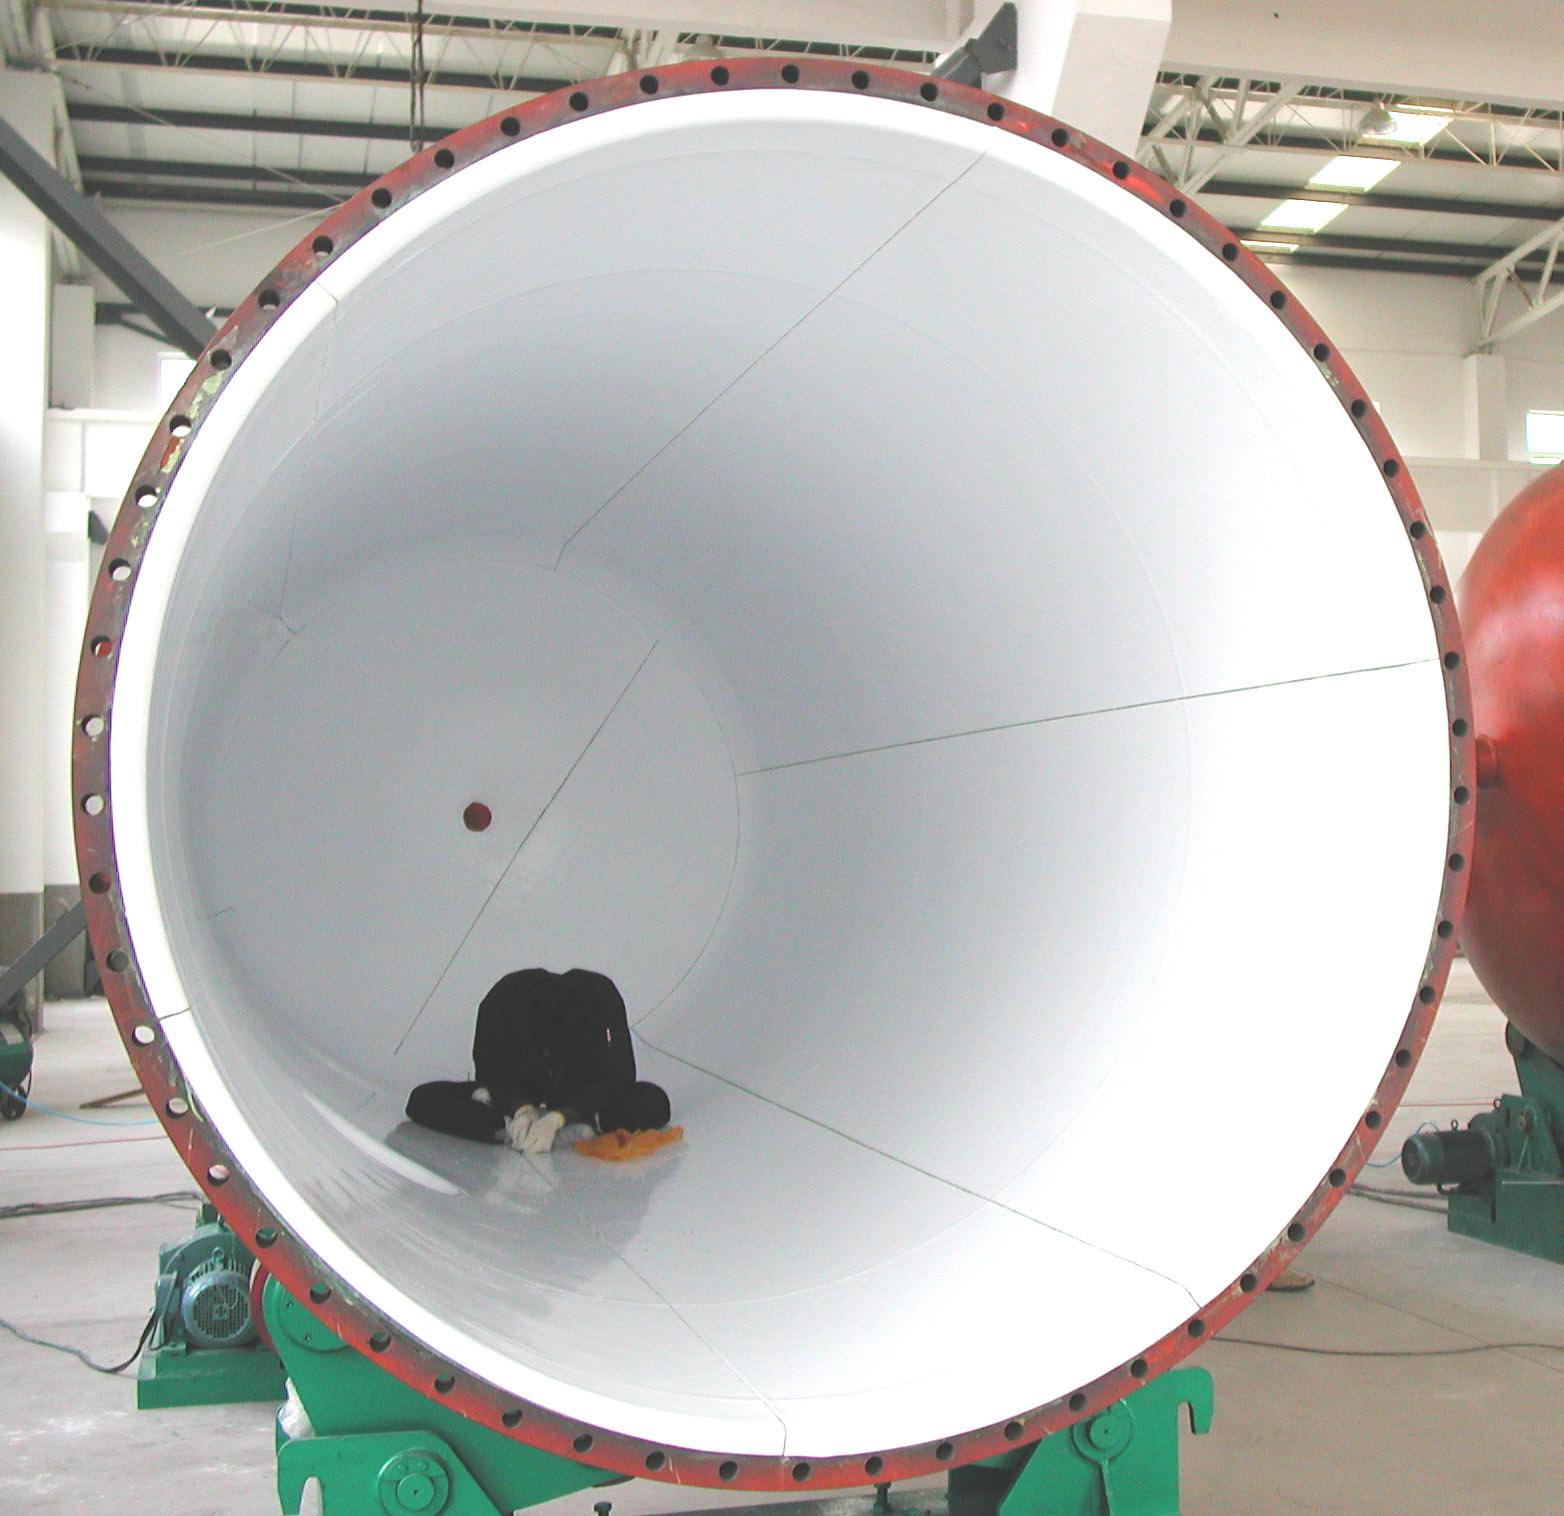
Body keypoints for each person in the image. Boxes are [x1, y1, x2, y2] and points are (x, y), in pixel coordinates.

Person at [406, 968, 671, 1153]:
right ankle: (508, 1129)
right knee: (423, 1100)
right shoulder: (503, 1002)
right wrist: (520, 1108)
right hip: (515, 1095)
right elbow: (489, 1068)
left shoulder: (600, 1000)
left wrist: (560, 1117)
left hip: (581, 1097)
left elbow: (619, 1075)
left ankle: (587, 1123)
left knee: (653, 1102)